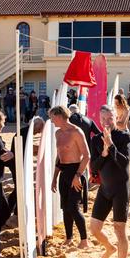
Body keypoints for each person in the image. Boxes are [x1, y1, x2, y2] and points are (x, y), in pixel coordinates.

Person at [89, 105, 130, 258]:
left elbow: (124, 164)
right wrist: (104, 154)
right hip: (105, 188)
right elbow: (93, 167)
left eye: (110, 118)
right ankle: (109, 247)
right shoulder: (95, 140)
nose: (107, 122)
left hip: (121, 188)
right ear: (99, 121)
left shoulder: (125, 137)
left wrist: (112, 146)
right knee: (94, 228)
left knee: (119, 229)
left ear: (116, 118)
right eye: (103, 119)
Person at [50, 106, 90, 248]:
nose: (51, 121)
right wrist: (54, 177)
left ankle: (84, 240)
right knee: (65, 208)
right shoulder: (58, 133)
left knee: (73, 208)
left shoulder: (76, 132)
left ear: (60, 116)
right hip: (64, 172)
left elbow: (87, 156)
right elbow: (59, 158)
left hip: (76, 170)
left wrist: (78, 175)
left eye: (52, 118)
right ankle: (69, 238)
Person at [1, 116, 45, 225]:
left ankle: (12, 213)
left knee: (20, 190)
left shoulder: (25, 132)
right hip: (18, 165)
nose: (39, 131)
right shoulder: (23, 134)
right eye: (39, 128)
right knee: (19, 190)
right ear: (35, 126)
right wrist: (40, 148)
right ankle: (8, 213)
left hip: (20, 164)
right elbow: (25, 150)